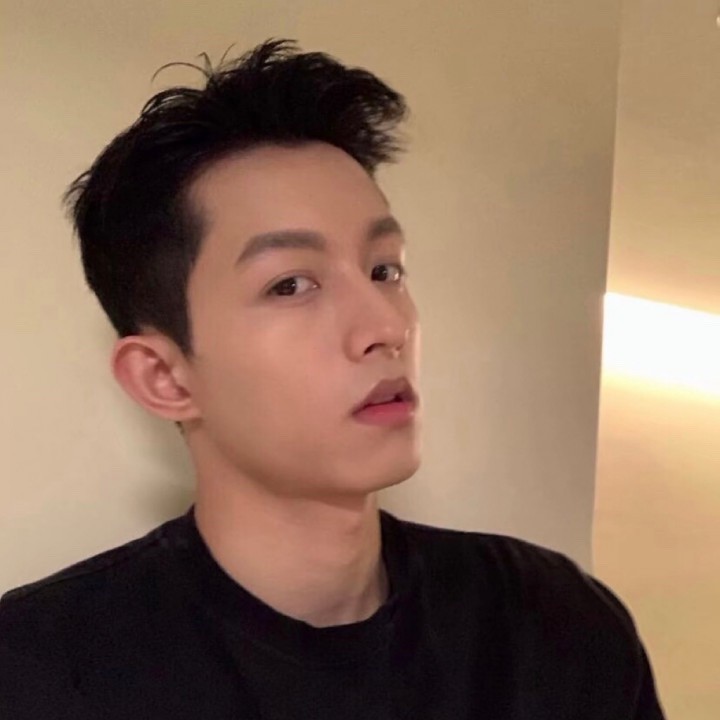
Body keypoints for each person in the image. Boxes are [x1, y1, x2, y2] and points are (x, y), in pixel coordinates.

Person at [0, 38, 665, 719]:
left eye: (385, 270)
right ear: (165, 377)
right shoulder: (37, 674)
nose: (386, 324)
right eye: (291, 284)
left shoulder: (556, 625)